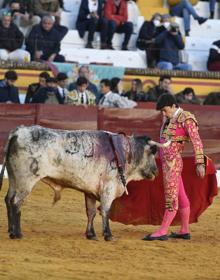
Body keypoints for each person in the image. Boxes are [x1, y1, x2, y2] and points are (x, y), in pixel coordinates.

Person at [143, 93, 205, 241]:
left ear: (173, 106)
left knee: (171, 196)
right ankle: (184, 229)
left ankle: (163, 231)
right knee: (180, 195)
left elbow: (197, 142)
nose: (164, 113)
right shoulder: (169, 119)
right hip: (167, 163)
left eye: (165, 110)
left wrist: (200, 163)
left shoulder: (186, 118)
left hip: (173, 164)